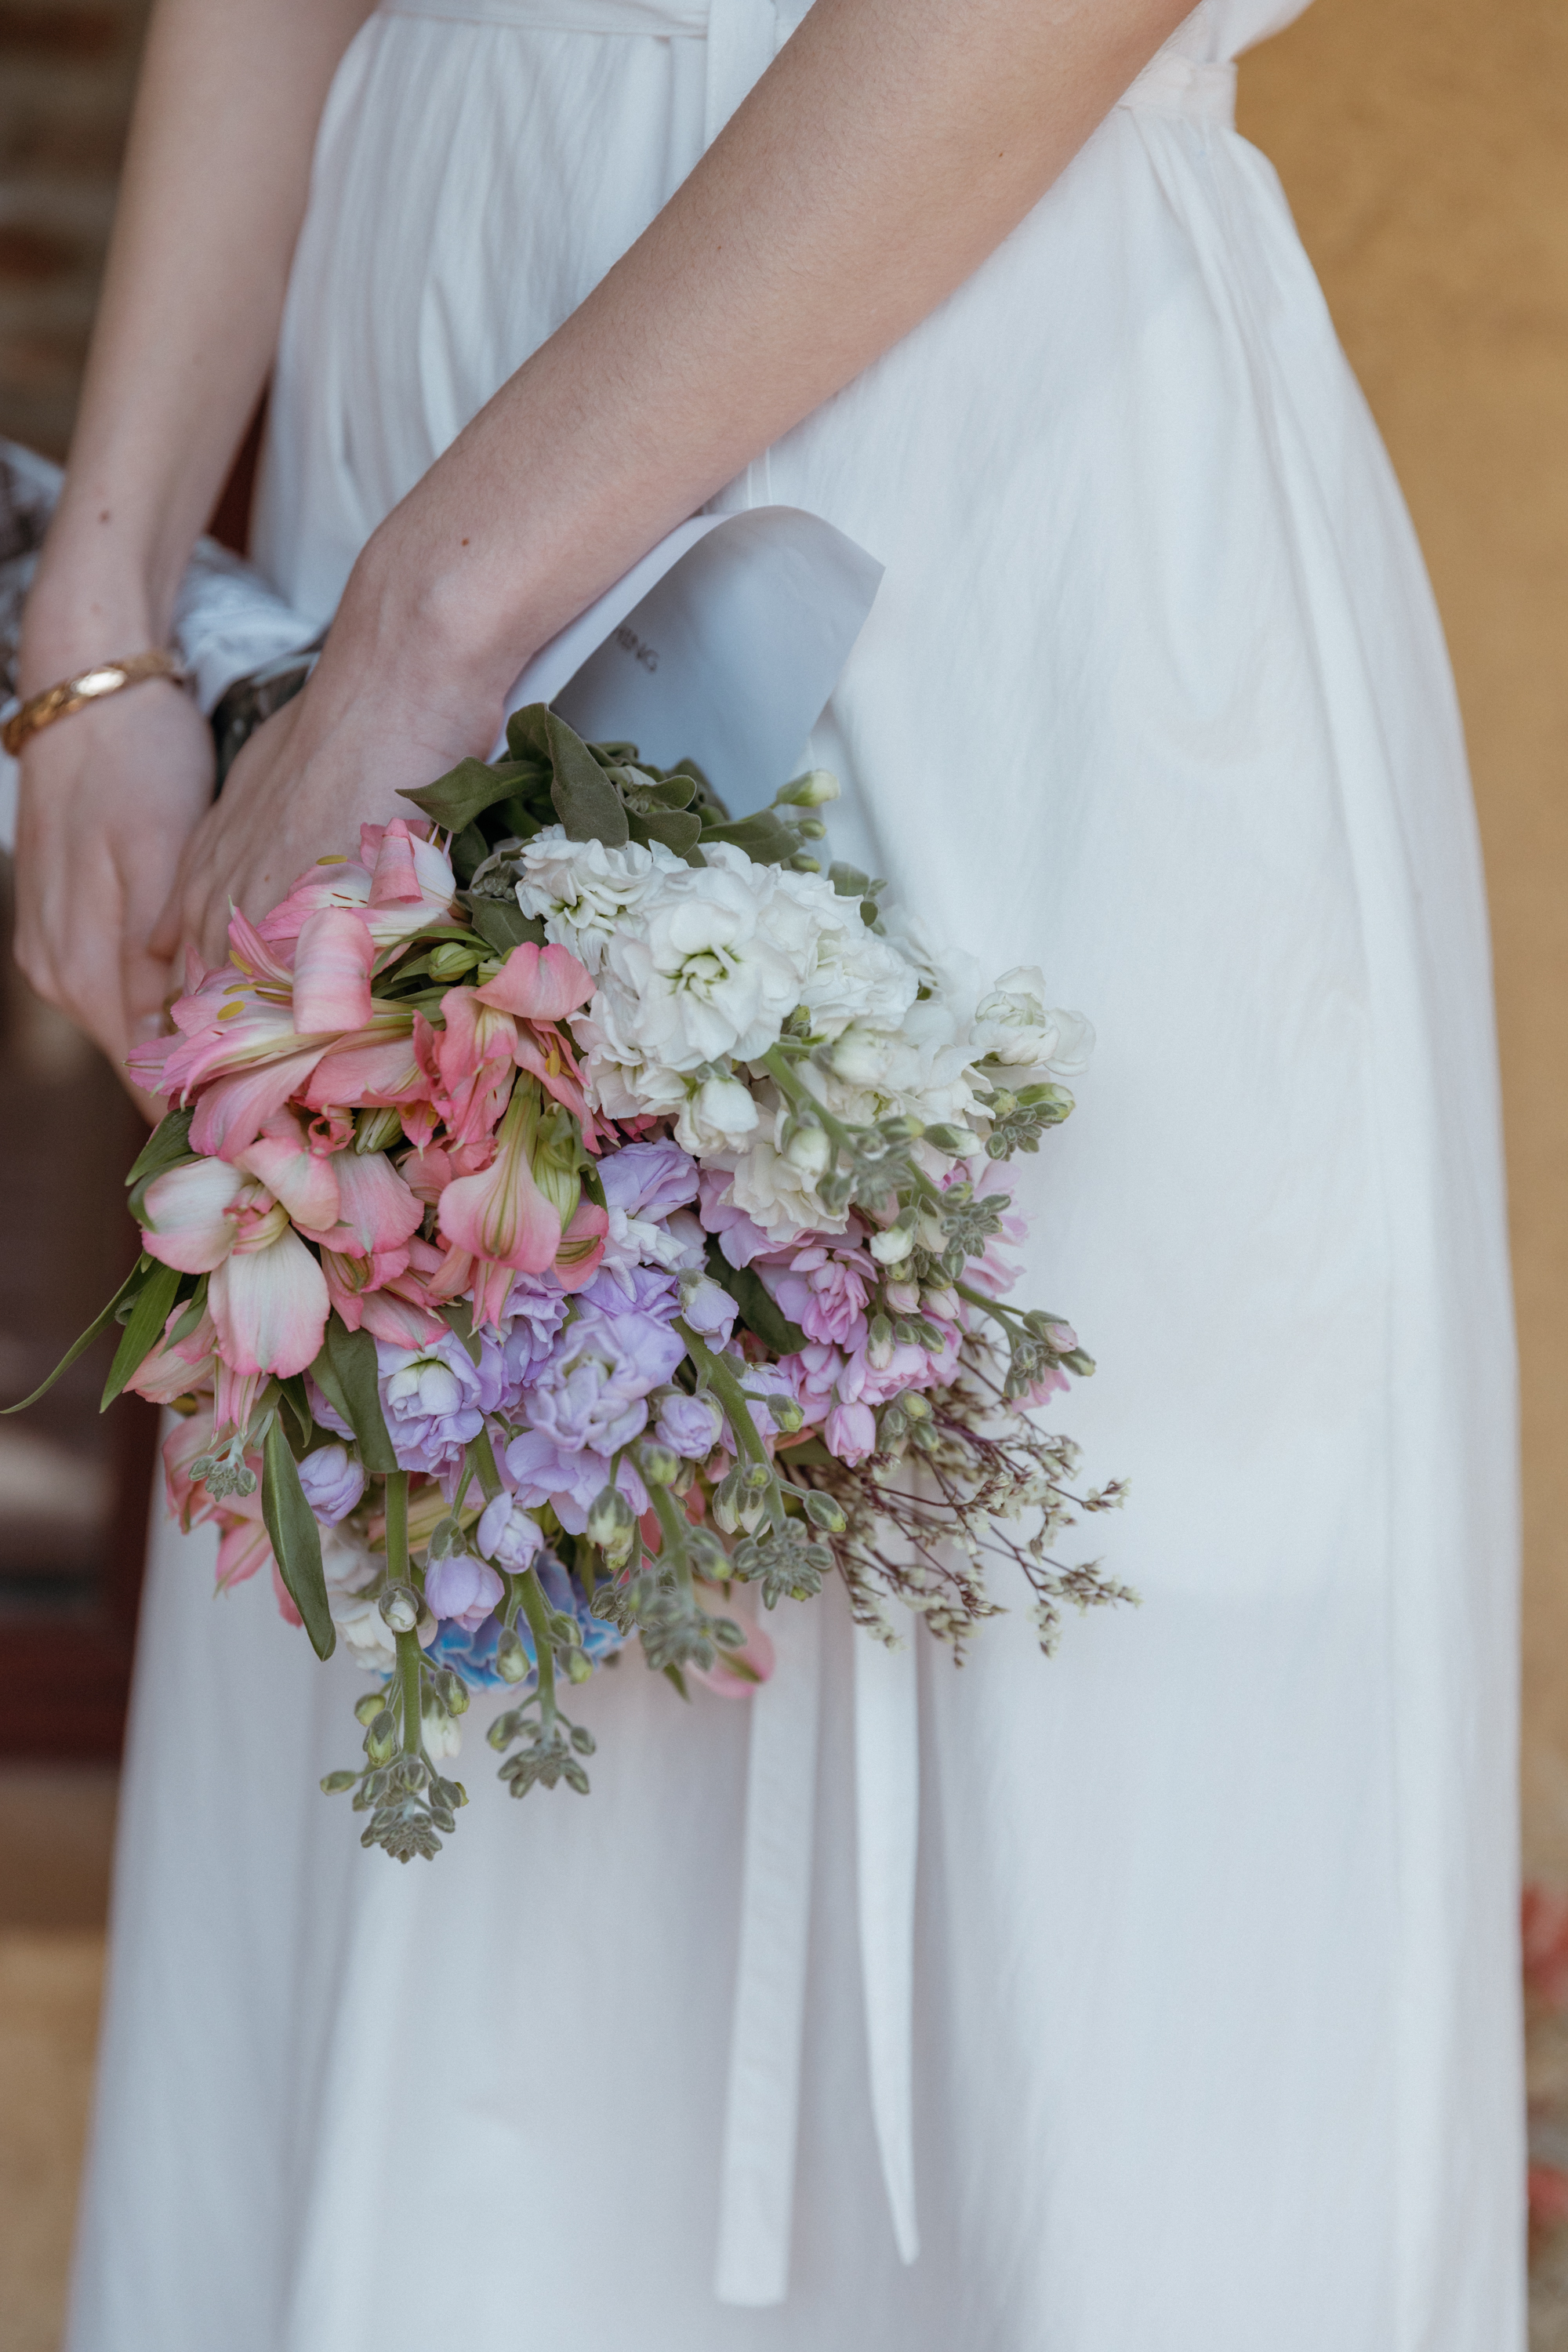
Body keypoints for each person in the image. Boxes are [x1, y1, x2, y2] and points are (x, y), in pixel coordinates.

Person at [12, 0, 1524, 2344]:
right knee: (457, 1796)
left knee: (1059, 1838)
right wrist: (98, 629)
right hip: (411, 366)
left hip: (954, 426)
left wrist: (429, 627)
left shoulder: (437, 622)